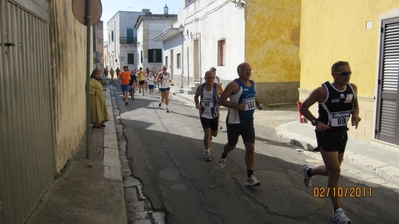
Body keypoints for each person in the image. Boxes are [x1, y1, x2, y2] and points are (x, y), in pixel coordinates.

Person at [299, 61, 361, 224]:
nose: (347, 76)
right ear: (334, 75)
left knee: (330, 171)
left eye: (349, 73)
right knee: (335, 172)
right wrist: (315, 122)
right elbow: (303, 108)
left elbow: (355, 104)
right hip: (326, 134)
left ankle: (309, 171)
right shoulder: (322, 91)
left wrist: (355, 114)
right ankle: (337, 211)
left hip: (342, 134)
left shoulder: (352, 88)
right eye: (343, 74)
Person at [218, 62, 263, 186]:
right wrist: (237, 106)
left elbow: (253, 97)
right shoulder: (234, 85)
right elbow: (221, 100)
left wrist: (258, 103)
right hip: (234, 122)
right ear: (239, 72)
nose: (248, 72)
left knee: (250, 147)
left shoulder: (252, 84)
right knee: (231, 145)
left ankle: (250, 176)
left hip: (248, 121)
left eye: (250, 69)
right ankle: (224, 153)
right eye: (245, 70)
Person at [194, 71, 223, 161]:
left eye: (212, 78)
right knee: (207, 133)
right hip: (204, 114)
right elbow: (196, 97)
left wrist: (220, 103)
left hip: (215, 114)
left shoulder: (217, 87)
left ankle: (209, 136)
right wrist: (197, 103)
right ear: (205, 78)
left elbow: (223, 96)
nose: (210, 80)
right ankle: (207, 151)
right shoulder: (200, 88)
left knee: (214, 134)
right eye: (208, 78)